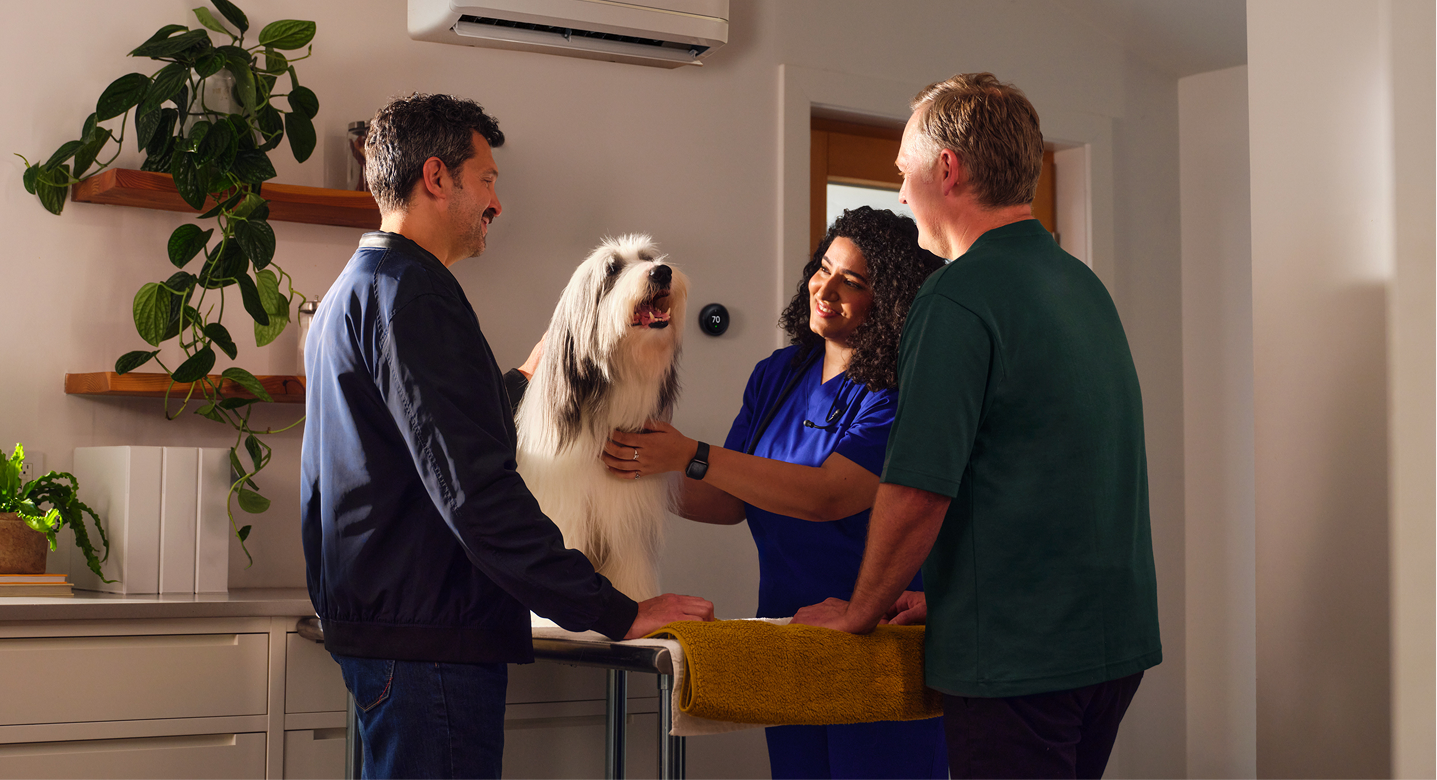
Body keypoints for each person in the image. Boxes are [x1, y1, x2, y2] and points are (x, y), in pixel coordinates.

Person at [300, 92, 713, 780]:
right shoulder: (417, 296)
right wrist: (614, 609)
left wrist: (519, 383)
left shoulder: (358, 287)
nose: (496, 203)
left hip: (386, 627)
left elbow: (416, 439)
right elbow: (476, 491)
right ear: (437, 178)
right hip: (430, 642)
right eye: (486, 181)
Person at [792, 74, 1161, 780]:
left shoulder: (955, 296)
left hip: (1021, 662)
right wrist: (952, 592)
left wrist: (859, 611)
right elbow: (1058, 473)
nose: (900, 194)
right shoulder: (1079, 284)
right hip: (1109, 645)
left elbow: (917, 487)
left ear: (947, 168)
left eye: (903, 172)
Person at [605, 206, 947, 780]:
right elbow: (731, 500)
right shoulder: (779, 373)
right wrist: (632, 476)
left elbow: (829, 496)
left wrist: (690, 454)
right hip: (790, 637)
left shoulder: (900, 393)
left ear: (890, 304)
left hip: (880, 641)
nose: (825, 287)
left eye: (853, 283)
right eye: (824, 268)